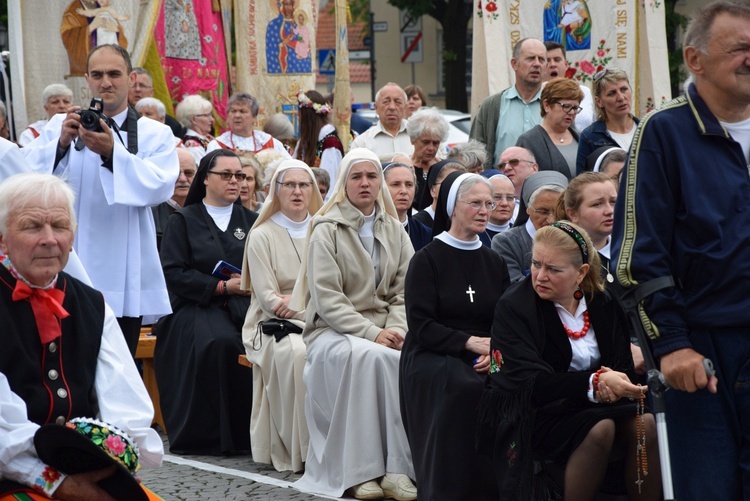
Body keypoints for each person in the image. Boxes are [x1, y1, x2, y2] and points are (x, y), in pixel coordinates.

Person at [612, 2, 750, 497]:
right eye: (740, 49)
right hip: (702, 358)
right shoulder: (662, 133)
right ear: (695, 59)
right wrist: (671, 345)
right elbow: (636, 259)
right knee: (708, 488)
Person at [0, 173, 164, 500]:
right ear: (3, 237)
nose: (49, 239)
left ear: (73, 236)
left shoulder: (91, 303)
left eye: (60, 226)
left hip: (86, 471)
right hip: (9, 475)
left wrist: (111, 458)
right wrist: (53, 482)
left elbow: (124, 400)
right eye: (32, 226)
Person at [481, 221, 660, 500]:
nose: (540, 276)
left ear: (581, 273)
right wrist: (594, 382)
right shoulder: (515, 306)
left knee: (645, 424)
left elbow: (621, 364)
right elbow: (528, 383)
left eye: (553, 269)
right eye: (536, 263)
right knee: (600, 429)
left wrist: (613, 385)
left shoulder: (602, 302)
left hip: (599, 403)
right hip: (535, 410)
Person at [21, 44, 179, 356]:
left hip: (125, 263)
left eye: (114, 74)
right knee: (69, 361)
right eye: (97, 75)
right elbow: (23, 178)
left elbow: (160, 187)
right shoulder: (59, 126)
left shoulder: (153, 133)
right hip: (71, 259)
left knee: (118, 364)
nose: (105, 82)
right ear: (87, 79)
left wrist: (112, 153)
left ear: (131, 78)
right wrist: (62, 145)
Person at [291, 148, 416, 500]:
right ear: (344, 183)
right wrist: (373, 333)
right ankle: (360, 471)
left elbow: (405, 293)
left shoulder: (395, 230)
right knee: (370, 358)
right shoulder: (325, 229)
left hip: (388, 332)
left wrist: (397, 331)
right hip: (332, 332)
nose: (365, 183)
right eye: (356, 177)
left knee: (399, 359)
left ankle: (397, 469)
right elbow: (327, 298)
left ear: (381, 184)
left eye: (372, 176)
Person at [401, 171, 509, 501]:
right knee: (464, 389)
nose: (484, 210)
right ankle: (449, 491)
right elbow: (420, 324)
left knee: (509, 384)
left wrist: (495, 350)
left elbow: (506, 319)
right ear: (452, 208)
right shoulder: (426, 260)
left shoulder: (494, 261)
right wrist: (467, 343)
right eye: (474, 203)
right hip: (433, 352)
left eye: (488, 203)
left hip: (489, 353)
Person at [155, 150, 256, 455]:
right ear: (206, 178)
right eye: (226, 175)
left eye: (239, 175)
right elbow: (173, 272)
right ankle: (216, 436)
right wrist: (221, 286)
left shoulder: (252, 221)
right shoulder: (183, 220)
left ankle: (256, 433)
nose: (235, 181)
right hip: (196, 306)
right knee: (220, 343)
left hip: (247, 305)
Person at [241, 159, 324, 473]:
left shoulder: (324, 228)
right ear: (275, 191)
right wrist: (310, 304)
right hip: (274, 325)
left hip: (323, 317)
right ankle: (301, 450)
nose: (298, 191)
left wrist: (305, 302)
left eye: (304, 185)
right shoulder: (262, 235)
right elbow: (270, 299)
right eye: (289, 185)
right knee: (301, 353)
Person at [470, 38, 547, 170]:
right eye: (530, 59)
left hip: (543, 187)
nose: (536, 64)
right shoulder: (492, 106)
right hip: (501, 187)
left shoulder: (554, 106)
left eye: (541, 59)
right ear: (514, 63)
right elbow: (473, 154)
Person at [492, 171, 567, 283]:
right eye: (543, 211)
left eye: (557, 212)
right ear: (528, 208)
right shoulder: (506, 242)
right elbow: (515, 286)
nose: (551, 220)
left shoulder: (576, 240)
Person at [516, 77, 583, 179]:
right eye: (566, 106)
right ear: (546, 105)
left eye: (575, 108)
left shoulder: (581, 138)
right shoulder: (529, 141)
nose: (572, 112)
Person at [576, 68, 639, 175]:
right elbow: (581, 182)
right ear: (599, 101)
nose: (621, 97)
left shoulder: (646, 129)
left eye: (624, 89)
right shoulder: (590, 136)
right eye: (612, 93)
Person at [207, 92, 291, 159]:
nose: (237, 115)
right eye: (233, 111)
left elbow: (288, 168)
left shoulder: (269, 143)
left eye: (242, 111)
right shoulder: (217, 145)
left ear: (254, 118)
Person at [61, 0, 127, 77]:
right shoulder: (73, 10)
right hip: (86, 71)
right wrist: (91, 27)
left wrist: (116, 31)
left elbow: (123, 41)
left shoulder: (101, 5)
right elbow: (68, 38)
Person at [293, 90, 344, 190]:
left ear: (307, 116)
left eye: (299, 111)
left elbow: (329, 185)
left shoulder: (330, 144)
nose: (297, 115)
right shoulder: (303, 143)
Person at [350, 83, 414, 157]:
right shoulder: (362, 143)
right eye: (386, 102)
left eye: (398, 102)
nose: (392, 107)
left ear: (405, 107)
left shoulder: (419, 137)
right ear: (376, 107)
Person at [152, 148, 197, 250]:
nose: (182, 179)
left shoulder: (206, 208)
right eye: (176, 173)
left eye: (189, 173)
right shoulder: (149, 211)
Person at [544, 41, 594, 132]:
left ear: (566, 65)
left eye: (557, 60)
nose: (552, 65)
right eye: (547, 61)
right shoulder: (536, 95)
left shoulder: (585, 92)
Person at [383, 159, 431, 251]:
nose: (404, 191)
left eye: (409, 185)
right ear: (381, 188)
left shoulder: (424, 233)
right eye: (395, 184)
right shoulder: (370, 229)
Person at [409, 107, 450, 210]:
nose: (431, 148)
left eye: (436, 143)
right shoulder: (405, 168)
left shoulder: (445, 169)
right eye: (425, 142)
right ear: (412, 139)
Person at [128, 67, 185, 138]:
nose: (137, 89)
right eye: (133, 85)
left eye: (142, 85)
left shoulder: (171, 125)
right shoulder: (116, 116)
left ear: (151, 92)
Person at [413, 159, 465, 229]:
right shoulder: (417, 225)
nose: (454, 188)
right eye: (449, 183)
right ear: (433, 190)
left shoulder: (469, 221)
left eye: (460, 184)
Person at [176, 94, 215, 164]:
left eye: (211, 115)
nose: (212, 119)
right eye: (207, 115)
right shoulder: (192, 146)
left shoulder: (205, 138)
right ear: (193, 119)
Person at [486, 173, 516, 239]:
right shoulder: (473, 235)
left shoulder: (520, 236)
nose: (504, 203)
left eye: (509, 198)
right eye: (497, 197)